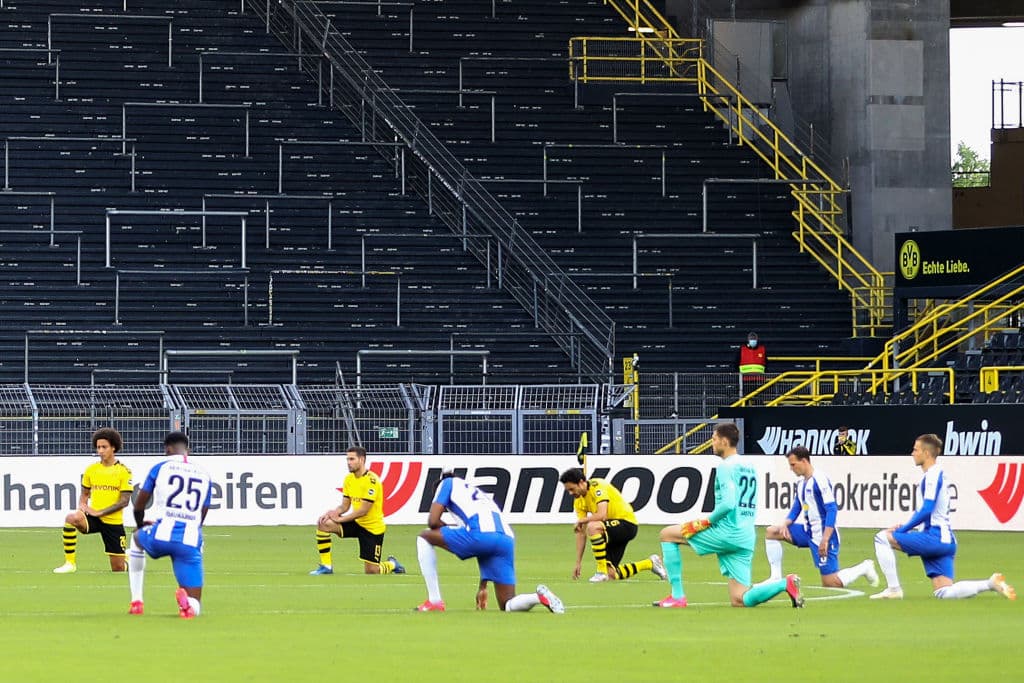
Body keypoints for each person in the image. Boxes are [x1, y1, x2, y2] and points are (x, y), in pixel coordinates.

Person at [655, 422, 804, 608]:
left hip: (727, 532)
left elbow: (728, 503)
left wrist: (704, 522)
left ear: (725, 441)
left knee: (667, 535)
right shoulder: (748, 466)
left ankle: (677, 596)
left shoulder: (726, 467)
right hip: (745, 535)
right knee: (740, 599)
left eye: (715, 439)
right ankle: (784, 583)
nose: (712, 443)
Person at [871, 433, 1016, 601]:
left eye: (915, 449)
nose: (912, 453)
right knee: (944, 592)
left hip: (934, 537)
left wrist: (903, 530)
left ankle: (894, 589)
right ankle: (990, 584)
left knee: (882, 538)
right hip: (946, 540)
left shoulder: (933, 475)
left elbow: (927, 509)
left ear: (926, 453)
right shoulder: (936, 475)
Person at [415, 469, 564, 614]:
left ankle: (434, 602)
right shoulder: (477, 494)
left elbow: (432, 521)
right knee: (507, 604)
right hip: (505, 539)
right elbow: (483, 547)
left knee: (424, 536)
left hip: (480, 534)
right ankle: (538, 597)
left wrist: (444, 528)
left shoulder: (446, 483)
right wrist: (483, 586)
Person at [763, 446, 879, 589]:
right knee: (772, 532)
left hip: (824, 536)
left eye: (793, 464)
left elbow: (832, 509)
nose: (791, 468)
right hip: (808, 532)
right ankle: (775, 577)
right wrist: (785, 524)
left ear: (804, 461)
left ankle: (864, 567)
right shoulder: (801, 484)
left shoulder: (820, 480)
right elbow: (797, 507)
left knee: (830, 583)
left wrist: (825, 539)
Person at [128, 431, 213, 618]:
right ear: (187, 451)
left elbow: (140, 503)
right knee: (196, 605)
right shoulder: (204, 474)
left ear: (167, 449)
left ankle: (137, 601)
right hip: (190, 541)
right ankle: (187, 605)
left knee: (135, 539)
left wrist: (140, 524)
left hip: (161, 534)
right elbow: (203, 512)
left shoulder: (161, 467)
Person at [559, 468, 666, 583]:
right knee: (612, 574)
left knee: (593, 527)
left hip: (626, 524)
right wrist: (578, 562)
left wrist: (582, 521)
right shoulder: (579, 501)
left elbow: (602, 515)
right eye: (568, 490)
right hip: (610, 530)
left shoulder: (597, 486)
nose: (570, 493)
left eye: (572, 489)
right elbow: (581, 532)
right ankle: (650, 563)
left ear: (581, 482)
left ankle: (601, 572)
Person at [309, 446, 404, 575]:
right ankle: (326, 566)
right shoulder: (349, 479)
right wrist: (334, 512)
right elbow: (345, 506)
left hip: (372, 529)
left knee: (372, 571)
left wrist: (340, 519)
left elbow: (362, 511)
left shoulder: (372, 481)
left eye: (352, 459)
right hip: (357, 523)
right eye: (347, 459)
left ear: (362, 459)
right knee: (323, 523)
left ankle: (392, 564)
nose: (349, 462)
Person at [53, 427, 133, 574]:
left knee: (118, 569)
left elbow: (124, 501)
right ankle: (70, 563)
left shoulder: (123, 471)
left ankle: (129, 559)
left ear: (113, 447)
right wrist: (82, 506)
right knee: (72, 518)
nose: (100, 451)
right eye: (98, 447)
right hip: (95, 518)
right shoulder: (91, 469)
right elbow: (84, 495)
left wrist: (99, 512)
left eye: (104, 447)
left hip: (113, 522)